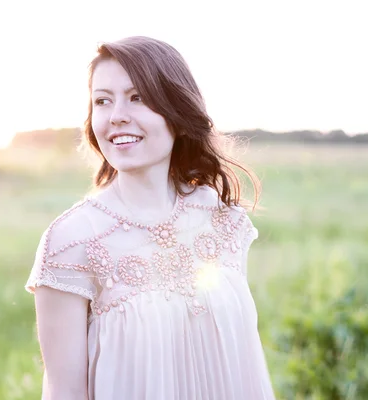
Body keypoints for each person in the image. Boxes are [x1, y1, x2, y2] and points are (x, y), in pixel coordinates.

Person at [25, 36, 276, 400]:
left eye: (137, 97)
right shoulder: (71, 241)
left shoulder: (224, 220)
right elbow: (64, 392)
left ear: (177, 109)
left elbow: (241, 360)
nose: (117, 116)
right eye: (102, 101)